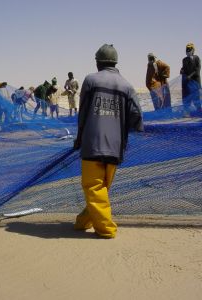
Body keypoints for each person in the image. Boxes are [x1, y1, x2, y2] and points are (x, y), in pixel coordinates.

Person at [73, 44, 144, 238]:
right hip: (115, 148)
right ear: (115, 62)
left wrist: (79, 139)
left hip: (92, 145)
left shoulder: (90, 80)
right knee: (100, 190)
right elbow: (137, 117)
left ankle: (106, 230)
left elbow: (83, 113)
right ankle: (82, 222)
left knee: (93, 188)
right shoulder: (126, 85)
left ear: (98, 62)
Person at [180, 42, 201, 113]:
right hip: (187, 82)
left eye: (189, 49)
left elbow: (197, 69)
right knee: (187, 98)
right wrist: (182, 70)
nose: (188, 51)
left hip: (195, 82)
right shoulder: (184, 59)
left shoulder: (196, 58)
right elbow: (184, 68)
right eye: (187, 49)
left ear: (193, 50)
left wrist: (190, 76)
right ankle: (187, 112)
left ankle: (199, 111)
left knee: (196, 97)